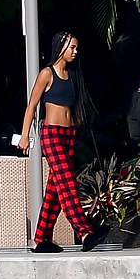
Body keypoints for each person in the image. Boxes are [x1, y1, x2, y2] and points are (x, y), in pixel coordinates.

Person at [18, 31, 108, 253]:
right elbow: (32, 105)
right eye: (72, 47)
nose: (75, 52)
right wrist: (24, 135)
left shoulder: (73, 75)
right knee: (68, 184)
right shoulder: (47, 74)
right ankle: (85, 231)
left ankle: (42, 238)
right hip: (51, 135)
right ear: (60, 47)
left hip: (69, 134)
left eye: (76, 48)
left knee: (55, 190)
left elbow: (74, 106)